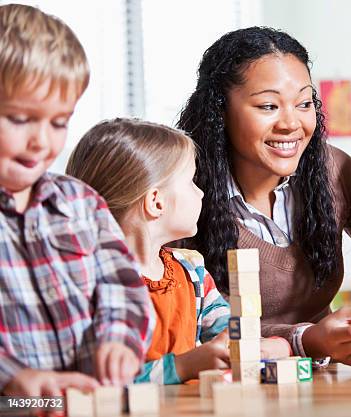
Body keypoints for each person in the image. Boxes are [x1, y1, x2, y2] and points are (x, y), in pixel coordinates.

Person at [177, 27, 351, 367]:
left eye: (305, 103)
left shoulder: (331, 169)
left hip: (322, 385)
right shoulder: (184, 196)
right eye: (268, 105)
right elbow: (200, 333)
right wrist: (310, 341)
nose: (291, 123)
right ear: (219, 109)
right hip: (230, 391)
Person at [0, 4, 153, 395]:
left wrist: (119, 339)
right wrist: (13, 379)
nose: (41, 141)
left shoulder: (81, 204)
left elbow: (122, 284)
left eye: (59, 122)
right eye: (20, 119)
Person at [67, 118, 291, 384]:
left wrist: (270, 346)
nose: (201, 193)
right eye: (190, 182)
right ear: (156, 202)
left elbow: (229, 337)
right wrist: (182, 367)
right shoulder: (89, 283)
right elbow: (95, 383)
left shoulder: (192, 273)